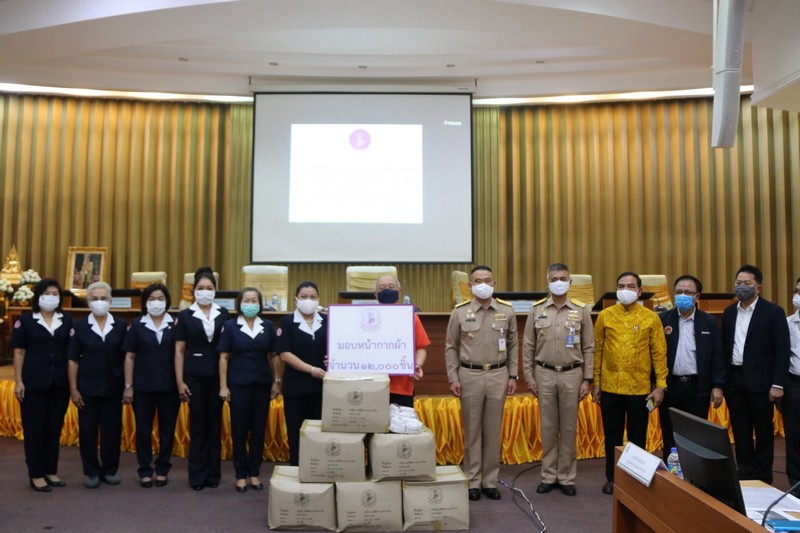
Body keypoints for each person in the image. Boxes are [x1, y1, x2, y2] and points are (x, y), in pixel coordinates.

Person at [445, 265, 518, 501]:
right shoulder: (459, 312)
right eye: (478, 281)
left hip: (498, 374)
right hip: (470, 375)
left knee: (493, 432)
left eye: (487, 280)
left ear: (494, 284)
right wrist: (453, 377)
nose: (483, 284)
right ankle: (473, 480)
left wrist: (513, 375)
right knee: (473, 431)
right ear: (470, 285)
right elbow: (451, 347)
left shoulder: (506, 311)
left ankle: (490, 481)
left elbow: (513, 345)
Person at [522, 263, 594, 496]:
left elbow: (589, 347)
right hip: (544, 373)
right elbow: (528, 345)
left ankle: (566, 477)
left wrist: (588, 378)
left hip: (572, 374)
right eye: (554, 279)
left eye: (563, 278)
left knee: (569, 427)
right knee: (548, 426)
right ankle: (548, 475)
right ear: (547, 283)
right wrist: (529, 376)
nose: (559, 282)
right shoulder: (537, 310)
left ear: (570, 282)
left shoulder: (581, 310)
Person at [592, 271, 667, 495]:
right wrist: (596, 382)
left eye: (631, 286)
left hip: (640, 389)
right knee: (612, 437)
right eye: (621, 286)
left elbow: (659, 354)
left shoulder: (651, 318)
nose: (625, 290)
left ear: (640, 291)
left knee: (637, 436)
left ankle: (635, 479)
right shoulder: (605, 316)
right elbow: (597, 351)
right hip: (610, 387)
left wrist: (660, 385)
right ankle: (612, 478)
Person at [722, 264, 790, 484]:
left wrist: (778, 384)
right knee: (740, 429)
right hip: (735, 379)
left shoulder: (773, 312)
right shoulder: (729, 312)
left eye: (747, 283)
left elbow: (782, 350)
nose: (741, 287)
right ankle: (745, 470)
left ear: (758, 287)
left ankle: (763, 475)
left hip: (762, 382)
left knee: (763, 431)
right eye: (738, 283)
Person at [10, 278, 73, 492]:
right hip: (33, 383)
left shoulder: (67, 320)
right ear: (38, 296)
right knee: (34, 430)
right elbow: (19, 352)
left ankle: (50, 471)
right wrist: (19, 381)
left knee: (54, 429)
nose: (51, 297)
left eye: (55, 294)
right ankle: (36, 474)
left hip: (59, 384)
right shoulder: (26, 320)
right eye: (47, 293)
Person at [218, 287, 281, 493]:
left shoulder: (268, 326)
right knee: (239, 430)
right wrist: (223, 386)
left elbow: (274, 355)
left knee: (258, 430)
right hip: (238, 384)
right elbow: (223, 357)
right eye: (246, 300)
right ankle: (240, 475)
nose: (250, 304)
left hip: (262, 384)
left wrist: (276, 381)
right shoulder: (230, 326)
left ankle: (254, 473)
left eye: (254, 300)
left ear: (260, 304)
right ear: (240, 303)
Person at [658, 275, 725, 462]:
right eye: (679, 292)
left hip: (697, 387)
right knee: (670, 432)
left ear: (697, 297)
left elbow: (718, 356)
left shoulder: (709, 321)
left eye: (687, 292)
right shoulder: (663, 319)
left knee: (696, 434)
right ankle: (672, 473)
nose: (682, 296)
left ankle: (696, 472)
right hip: (670, 387)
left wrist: (717, 385)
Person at [173, 266, 229, 490]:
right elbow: (179, 350)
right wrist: (180, 381)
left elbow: (226, 349)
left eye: (209, 288)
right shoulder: (185, 315)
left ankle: (213, 474)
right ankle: (197, 476)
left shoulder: (223, 313)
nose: (205, 291)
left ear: (215, 290)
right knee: (198, 426)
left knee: (214, 425)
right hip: (194, 375)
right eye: (201, 288)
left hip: (217, 376)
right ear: (193, 291)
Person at [68, 281, 127, 489]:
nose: (99, 302)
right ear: (88, 302)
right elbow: (73, 360)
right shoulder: (79, 326)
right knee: (88, 432)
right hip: (87, 387)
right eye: (95, 298)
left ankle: (110, 470)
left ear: (110, 301)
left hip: (114, 387)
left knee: (112, 431)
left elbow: (127, 357)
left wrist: (128, 385)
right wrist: (73, 389)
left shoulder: (121, 325)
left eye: (103, 298)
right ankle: (91, 471)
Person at [122, 283, 180, 488]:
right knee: (143, 430)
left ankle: (163, 468)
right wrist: (128, 385)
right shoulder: (137, 325)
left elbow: (182, 353)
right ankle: (145, 470)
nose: (156, 303)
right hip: (142, 386)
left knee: (167, 430)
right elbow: (129, 357)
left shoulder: (176, 323)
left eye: (161, 299)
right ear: (145, 302)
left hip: (170, 387)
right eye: (152, 299)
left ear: (167, 301)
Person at [276, 281, 327, 466]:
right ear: (296, 299)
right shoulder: (287, 323)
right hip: (296, 388)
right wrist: (311, 369)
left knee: (318, 433)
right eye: (304, 297)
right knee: (296, 433)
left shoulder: (327, 321)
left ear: (318, 299)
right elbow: (284, 354)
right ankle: (297, 470)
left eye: (313, 297)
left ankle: (317, 471)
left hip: (321, 388)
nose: (309, 300)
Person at [373, 274, 431, 407]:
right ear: (375, 294)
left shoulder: (409, 316)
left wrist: (417, 364)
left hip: (401, 386)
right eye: (382, 288)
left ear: (399, 291)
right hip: (370, 385)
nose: (387, 290)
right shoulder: (364, 316)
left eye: (391, 287)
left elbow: (421, 347)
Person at [784, 277, 800, 495]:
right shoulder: (787, 323)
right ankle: (796, 489)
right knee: (794, 439)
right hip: (795, 384)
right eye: (796, 291)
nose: (797, 296)